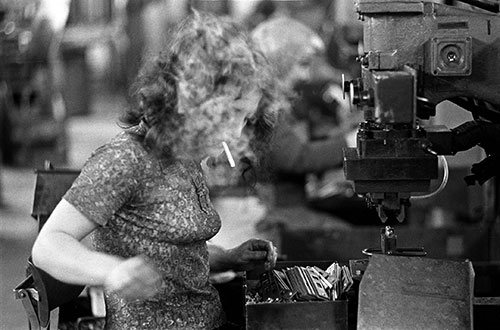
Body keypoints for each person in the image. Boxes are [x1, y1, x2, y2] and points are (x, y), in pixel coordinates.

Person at [31, 11, 280, 330]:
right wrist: (111, 271)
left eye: (245, 118)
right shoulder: (127, 158)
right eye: (230, 112)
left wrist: (231, 258)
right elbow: (49, 245)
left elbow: (175, 256)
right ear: (190, 96)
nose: (236, 131)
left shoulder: (186, 156)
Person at [250, 16, 380, 228]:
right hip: (276, 210)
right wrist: (348, 143)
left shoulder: (277, 102)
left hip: (288, 203)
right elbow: (295, 158)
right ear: (279, 62)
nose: (306, 75)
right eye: (302, 64)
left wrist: (338, 136)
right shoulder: (266, 106)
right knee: (347, 236)